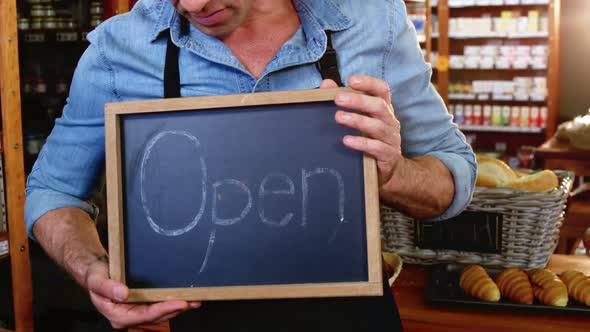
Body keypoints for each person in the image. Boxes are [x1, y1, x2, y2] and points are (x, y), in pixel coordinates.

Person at [25, 0, 477, 330]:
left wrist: (394, 173)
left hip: (352, 316)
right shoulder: (117, 49)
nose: (193, 4)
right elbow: (52, 190)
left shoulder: (371, 21)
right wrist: (92, 270)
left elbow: (451, 178)